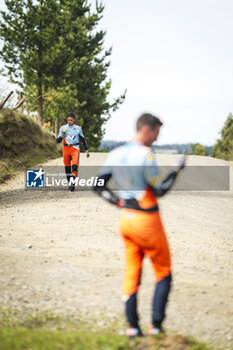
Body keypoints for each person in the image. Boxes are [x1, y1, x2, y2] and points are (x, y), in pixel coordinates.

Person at [93, 113, 185, 337]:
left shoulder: (115, 153)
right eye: (156, 134)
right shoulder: (146, 154)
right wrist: (176, 169)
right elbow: (160, 189)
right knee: (163, 272)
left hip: (126, 219)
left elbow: (97, 185)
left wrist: (119, 202)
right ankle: (156, 326)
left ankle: (132, 327)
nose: (155, 139)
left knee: (132, 271)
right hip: (148, 221)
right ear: (147, 130)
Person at [56, 112, 90, 191]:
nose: (69, 122)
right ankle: (70, 182)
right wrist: (61, 137)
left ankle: (72, 183)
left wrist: (86, 150)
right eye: (68, 120)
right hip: (66, 149)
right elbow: (57, 141)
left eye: (71, 120)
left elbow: (83, 140)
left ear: (74, 120)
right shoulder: (62, 128)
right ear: (67, 120)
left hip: (75, 148)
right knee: (67, 168)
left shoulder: (78, 128)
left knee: (74, 166)